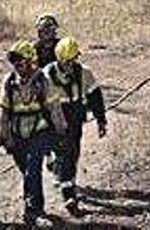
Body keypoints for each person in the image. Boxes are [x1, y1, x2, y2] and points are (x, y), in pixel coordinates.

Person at [0, 40, 67, 228]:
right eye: (15, 64)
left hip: (39, 131)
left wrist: (61, 132)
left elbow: (54, 107)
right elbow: (3, 110)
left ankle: (35, 211)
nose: (17, 67)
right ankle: (32, 205)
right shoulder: (9, 81)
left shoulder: (42, 80)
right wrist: (4, 135)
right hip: (17, 134)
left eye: (21, 62)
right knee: (28, 173)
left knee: (32, 170)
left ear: (30, 61)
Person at [43, 36, 107, 216]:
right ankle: (68, 194)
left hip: (75, 120)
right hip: (55, 120)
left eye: (73, 60)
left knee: (73, 154)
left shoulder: (84, 73)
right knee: (65, 155)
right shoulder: (46, 76)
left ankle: (62, 176)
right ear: (59, 59)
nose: (70, 65)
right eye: (66, 62)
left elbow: (95, 96)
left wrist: (101, 120)